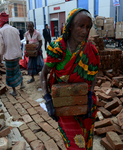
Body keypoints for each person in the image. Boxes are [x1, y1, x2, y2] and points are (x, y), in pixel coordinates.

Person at [40, 8, 100, 150]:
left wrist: (91, 94)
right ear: (70, 26)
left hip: (84, 104)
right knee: (76, 145)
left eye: (87, 27)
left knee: (87, 141)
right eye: (81, 26)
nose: (85, 31)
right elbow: (43, 74)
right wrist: (47, 98)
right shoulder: (58, 48)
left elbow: (94, 73)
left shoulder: (90, 50)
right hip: (64, 105)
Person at [0, 11, 24, 96]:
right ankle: (22, 84)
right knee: (17, 70)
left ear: (1, 21)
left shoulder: (0, 31)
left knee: (10, 74)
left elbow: (1, 46)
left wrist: (0, 58)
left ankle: (14, 91)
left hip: (9, 56)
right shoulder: (15, 29)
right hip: (17, 54)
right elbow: (19, 42)